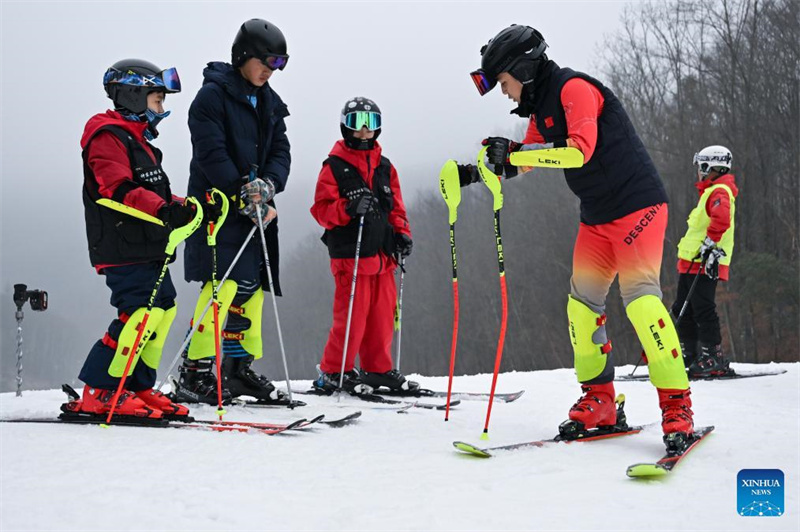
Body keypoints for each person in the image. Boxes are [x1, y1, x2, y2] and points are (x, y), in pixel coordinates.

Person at [461, 25, 695, 446]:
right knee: (581, 308)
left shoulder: (574, 89)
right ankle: (599, 399)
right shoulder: (539, 108)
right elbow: (529, 161)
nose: (504, 92)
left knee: (642, 303)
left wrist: (516, 152)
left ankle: (677, 404)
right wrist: (478, 171)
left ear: (523, 69)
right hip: (597, 217)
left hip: (638, 206)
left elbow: (578, 150)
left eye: (504, 82)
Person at [67, 59, 193, 420]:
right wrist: (165, 211)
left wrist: (188, 206)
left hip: (149, 245)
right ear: (134, 96)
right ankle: (101, 390)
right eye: (157, 100)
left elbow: (155, 196)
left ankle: (136, 386)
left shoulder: (138, 142)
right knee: (138, 313)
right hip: (122, 245)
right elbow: (117, 189)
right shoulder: (106, 136)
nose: (162, 110)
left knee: (162, 310)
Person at [174, 18, 291, 404]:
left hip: (255, 208)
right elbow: (210, 152)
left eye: (279, 64)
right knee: (221, 286)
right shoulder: (212, 98)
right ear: (244, 56)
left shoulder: (270, 101)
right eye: (267, 61)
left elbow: (281, 152)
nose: (271, 70)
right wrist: (241, 191)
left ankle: (237, 369)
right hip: (219, 209)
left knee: (252, 287)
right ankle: (195, 370)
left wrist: (268, 186)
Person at [310, 97, 416, 394]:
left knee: (382, 317)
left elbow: (396, 207)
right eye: (358, 123)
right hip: (350, 255)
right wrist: (347, 207)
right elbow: (320, 211)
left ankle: (377, 369)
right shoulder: (334, 166)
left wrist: (402, 233)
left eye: (372, 124)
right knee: (352, 318)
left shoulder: (385, 167)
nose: (365, 131)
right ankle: (335, 370)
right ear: (346, 126)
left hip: (382, 255)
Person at [673, 145, 738, 378]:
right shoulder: (710, 193)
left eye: (701, 166)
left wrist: (711, 243)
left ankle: (714, 356)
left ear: (711, 167)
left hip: (706, 260)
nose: (698, 172)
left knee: (702, 307)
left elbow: (722, 219)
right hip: (691, 261)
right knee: (682, 307)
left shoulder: (720, 191)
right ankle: (688, 353)